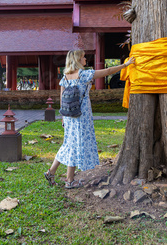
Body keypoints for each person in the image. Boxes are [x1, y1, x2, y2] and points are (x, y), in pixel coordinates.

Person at [44, 50, 135, 189]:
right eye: (83, 57)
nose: (85, 59)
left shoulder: (65, 77)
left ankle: (51, 172)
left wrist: (63, 118)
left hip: (68, 117)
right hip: (81, 117)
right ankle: (69, 180)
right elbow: (108, 71)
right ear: (78, 60)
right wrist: (125, 65)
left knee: (68, 145)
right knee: (74, 146)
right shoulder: (84, 75)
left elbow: (62, 100)